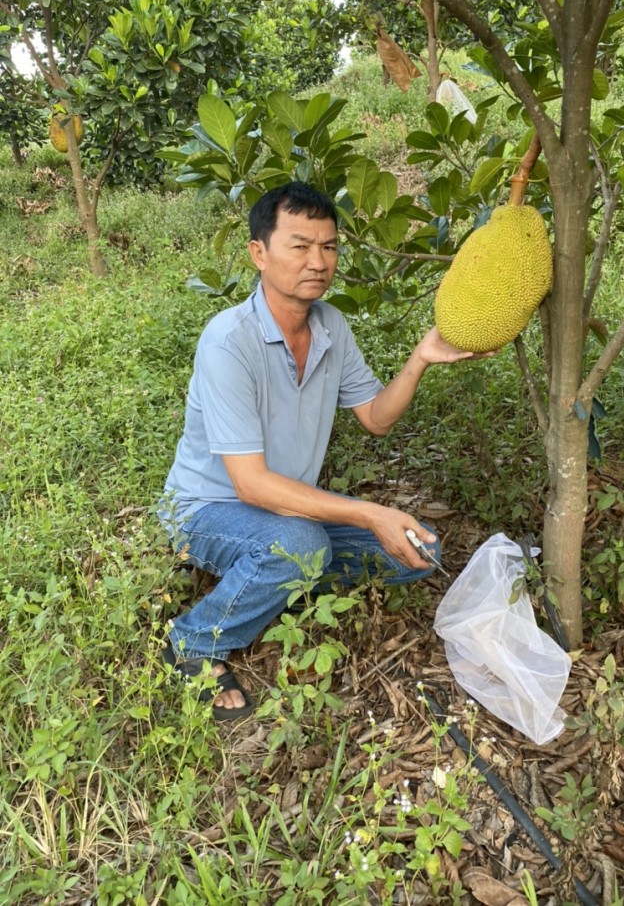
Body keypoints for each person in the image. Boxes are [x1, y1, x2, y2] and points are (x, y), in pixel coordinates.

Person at [160, 181, 488, 720]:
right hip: (207, 510)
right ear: (259, 253)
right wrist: (368, 512)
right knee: (305, 541)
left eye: (329, 246)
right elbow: (250, 485)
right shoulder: (228, 343)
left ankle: (283, 572)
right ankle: (196, 639)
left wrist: (420, 358)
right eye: (300, 245)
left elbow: (376, 420)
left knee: (418, 551)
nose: (318, 261)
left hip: (287, 509)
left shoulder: (331, 325)